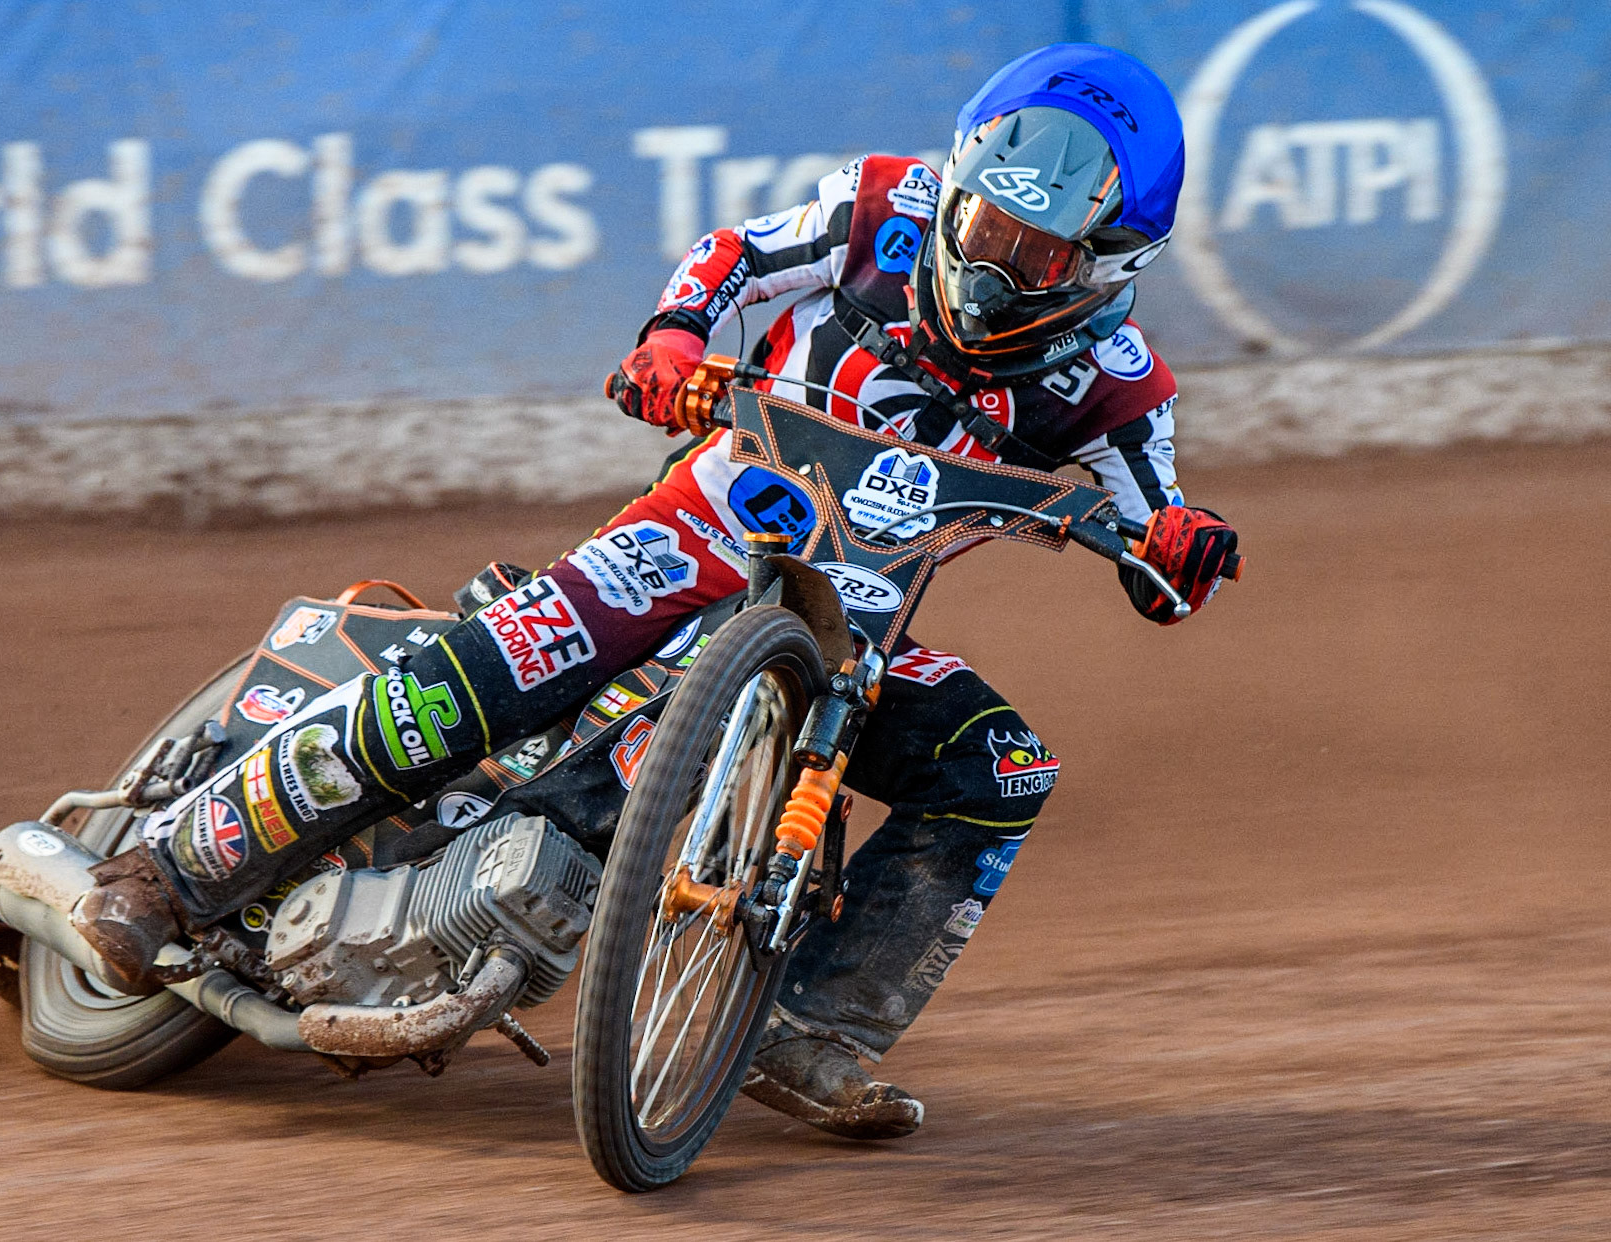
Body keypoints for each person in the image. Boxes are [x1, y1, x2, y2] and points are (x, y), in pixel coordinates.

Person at [71, 42, 1239, 1141]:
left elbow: (1158, 542)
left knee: (999, 764)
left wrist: (1179, 552)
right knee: (481, 681)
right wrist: (674, 339)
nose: (989, 264)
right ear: (959, 177)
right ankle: (169, 870)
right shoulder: (885, 203)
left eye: (1033, 254)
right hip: (708, 520)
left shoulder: (1124, 392)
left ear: (1107, 267)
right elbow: (737, 257)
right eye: (983, 221)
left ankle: (814, 1031)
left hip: (859, 624)